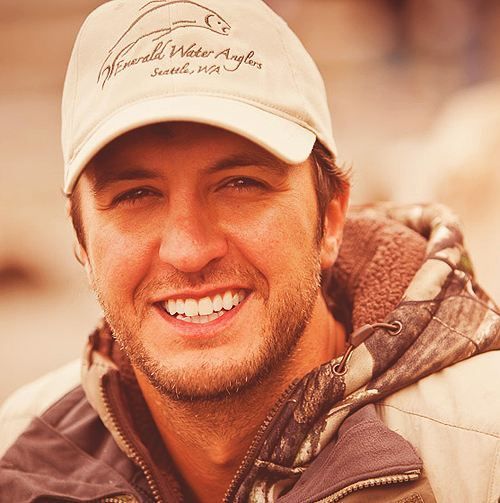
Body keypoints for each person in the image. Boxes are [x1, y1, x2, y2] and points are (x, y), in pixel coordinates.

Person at [1, 1, 499, 501]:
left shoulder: (482, 454)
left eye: (240, 184)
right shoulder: (18, 454)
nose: (190, 250)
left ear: (329, 219)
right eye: (136, 195)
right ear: (81, 240)